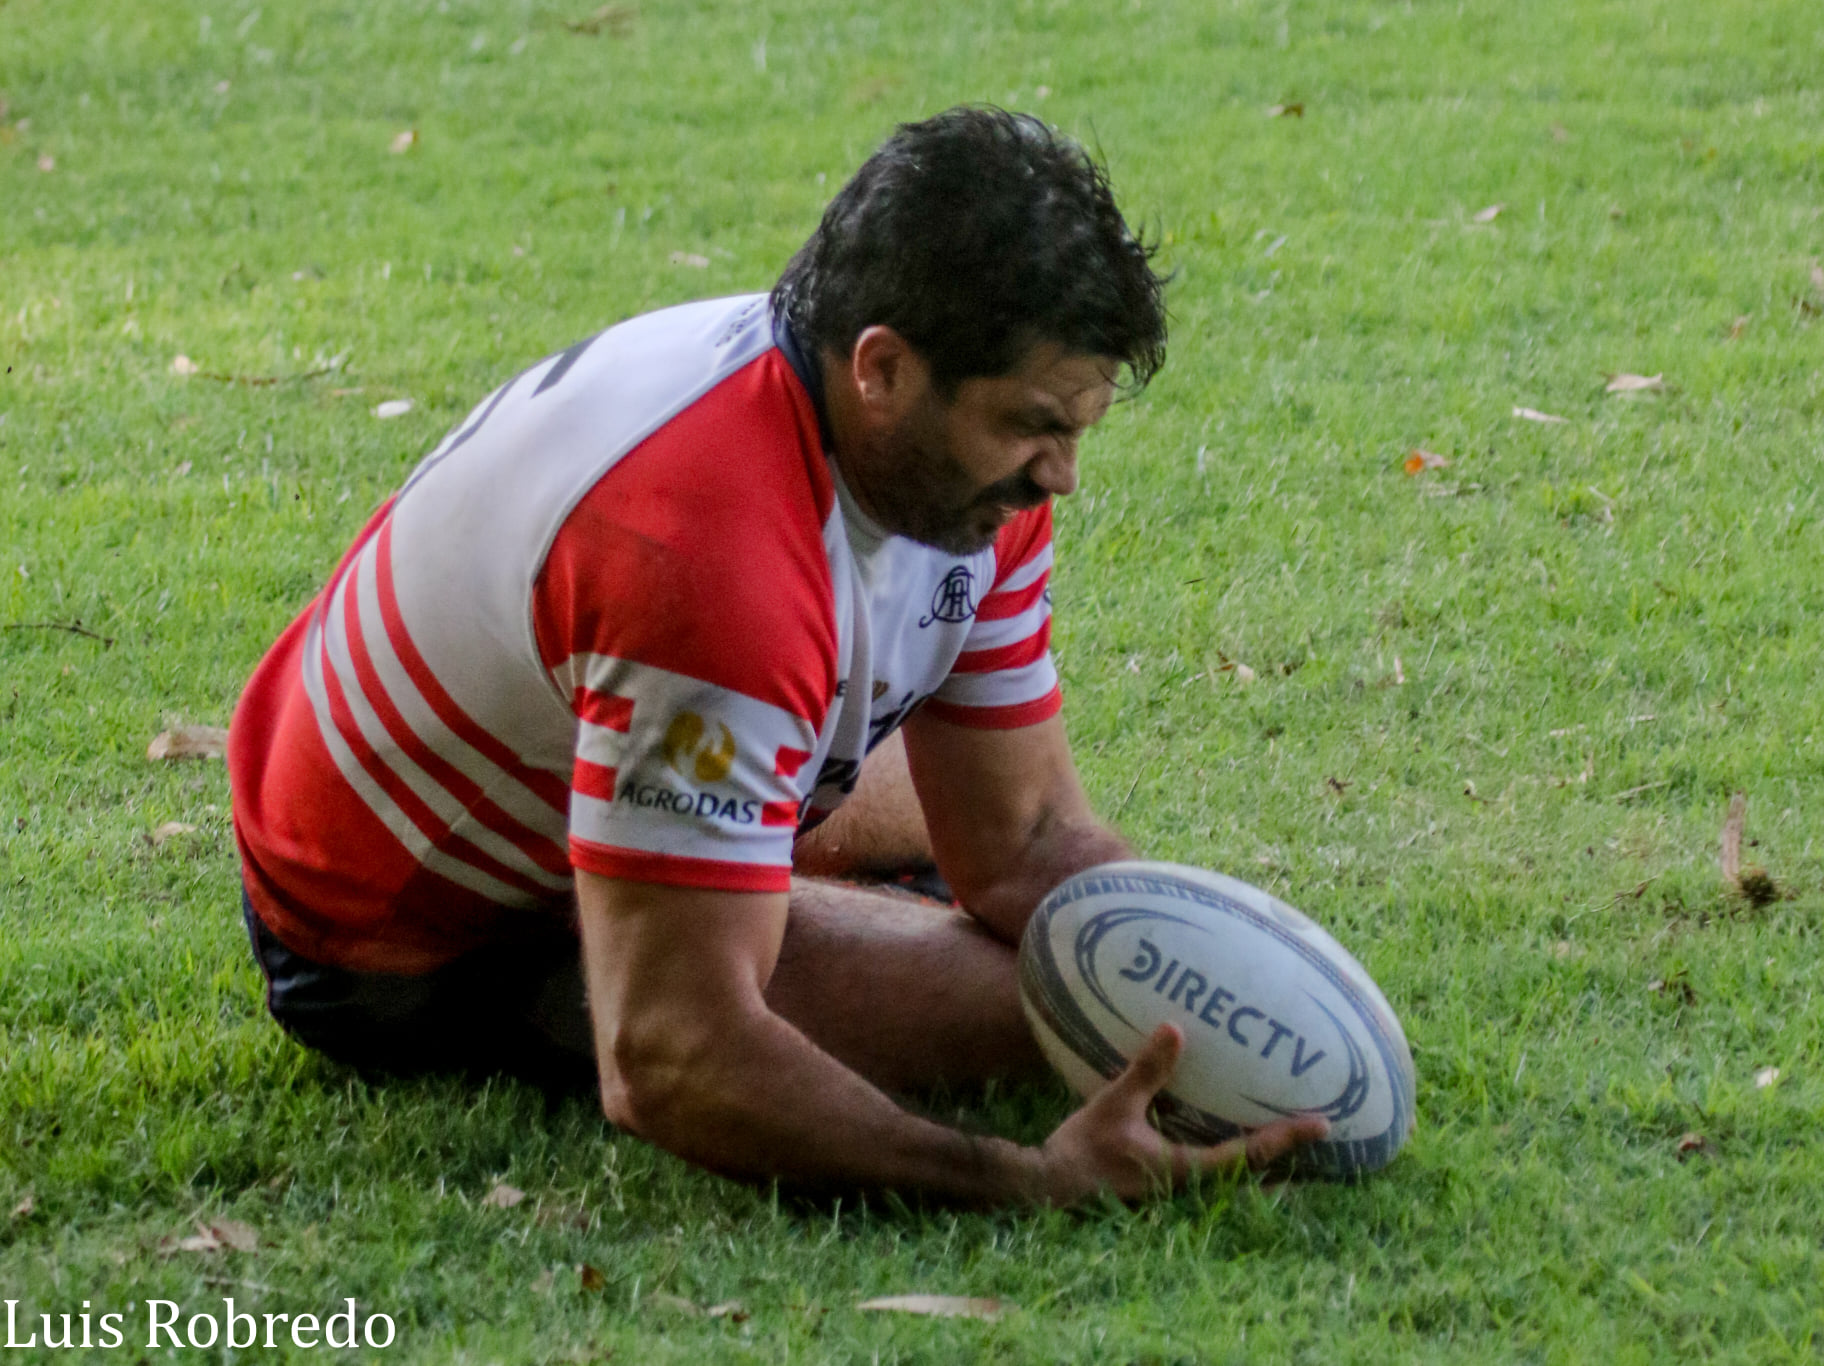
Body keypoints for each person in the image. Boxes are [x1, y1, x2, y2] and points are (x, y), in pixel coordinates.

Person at [228, 106, 1326, 1206]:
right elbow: (669, 1058)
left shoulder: (954, 477)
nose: (1062, 477)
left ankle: (781, 893)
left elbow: (1024, 836)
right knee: (1023, 1001)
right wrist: (1026, 1175)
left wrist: (1236, 977)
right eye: (1034, 425)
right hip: (398, 944)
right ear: (883, 368)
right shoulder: (709, 556)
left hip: (608, 756)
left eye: (1075, 429)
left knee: (1075, 965)